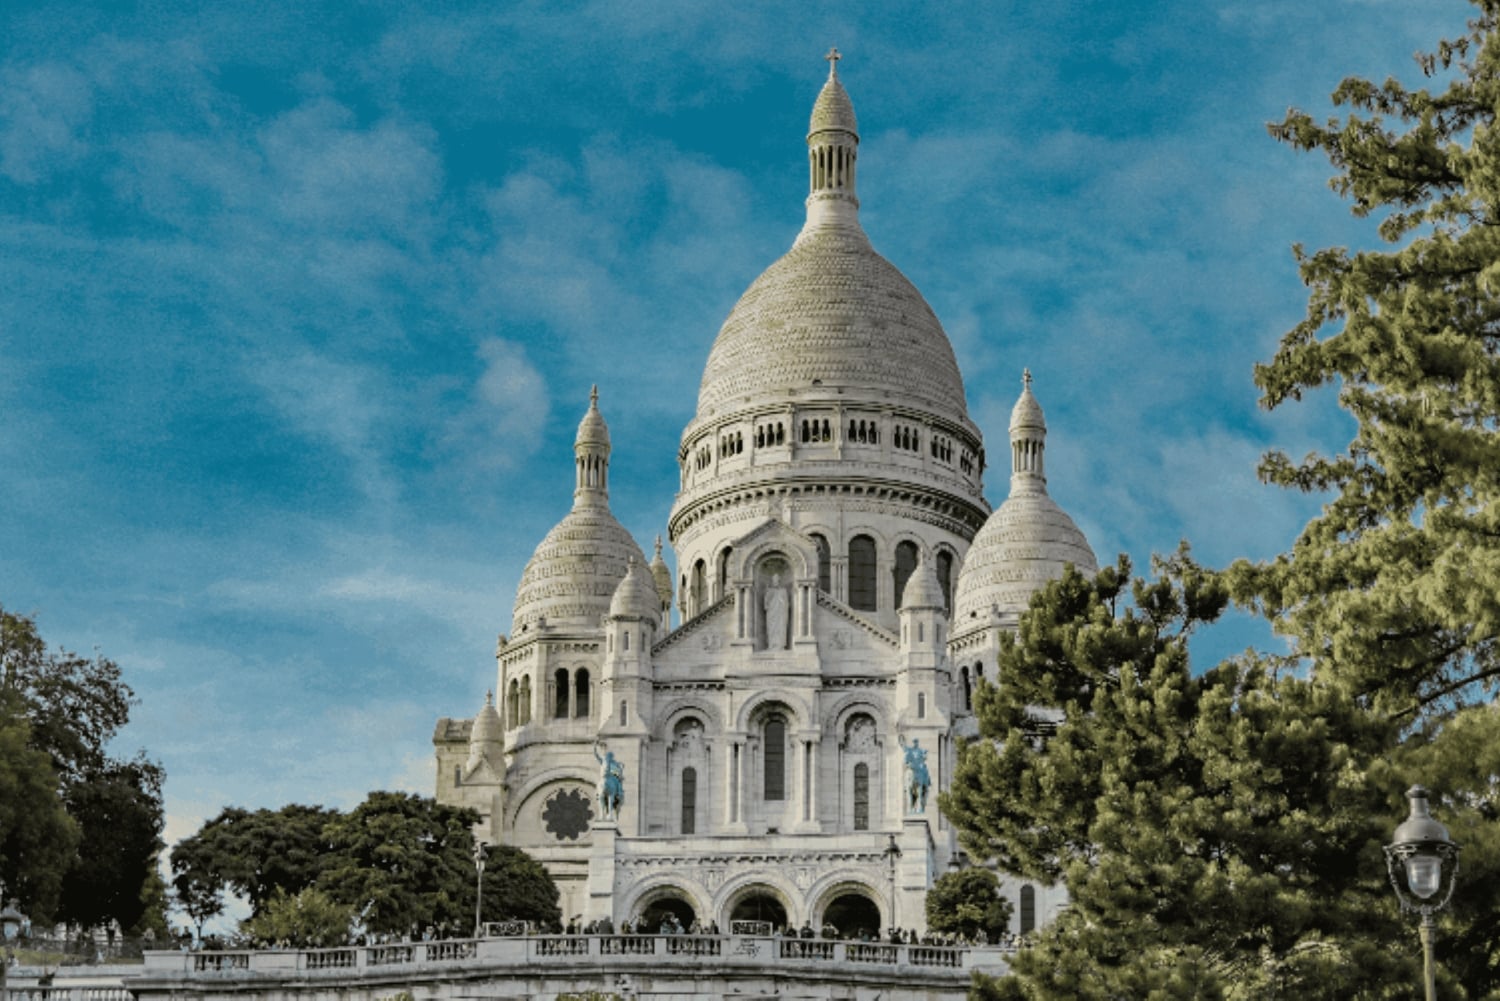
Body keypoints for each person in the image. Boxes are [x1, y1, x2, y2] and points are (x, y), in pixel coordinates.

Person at [898, 735, 930, 813]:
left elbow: (925, 757)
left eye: (916, 741)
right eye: (914, 741)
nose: (915, 743)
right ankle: (910, 807)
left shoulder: (920, 750)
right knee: (908, 783)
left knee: (925, 773)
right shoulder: (910, 751)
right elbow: (904, 749)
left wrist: (924, 755)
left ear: (917, 742)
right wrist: (901, 741)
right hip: (912, 770)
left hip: (919, 771)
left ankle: (926, 783)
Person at [594, 742, 625, 821]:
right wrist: (594, 747)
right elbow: (596, 755)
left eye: (609, 756)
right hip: (603, 777)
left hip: (612, 777)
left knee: (617, 782)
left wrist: (618, 771)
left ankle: (619, 793)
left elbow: (619, 769)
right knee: (599, 785)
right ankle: (598, 794)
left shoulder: (614, 762)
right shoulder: (603, 760)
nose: (608, 757)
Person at [763, 573, 789, 650]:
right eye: (774, 579)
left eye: (777, 579)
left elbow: (786, 603)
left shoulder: (783, 590)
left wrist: (783, 604)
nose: (776, 581)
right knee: (771, 628)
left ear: (779, 580)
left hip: (781, 613)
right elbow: (766, 603)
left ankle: (780, 645)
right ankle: (771, 644)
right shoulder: (769, 590)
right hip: (771, 613)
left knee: (781, 627)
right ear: (772, 580)